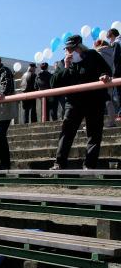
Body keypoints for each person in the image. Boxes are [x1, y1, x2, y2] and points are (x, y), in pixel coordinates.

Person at [50, 35, 112, 170]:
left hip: (94, 100)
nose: (70, 52)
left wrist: (104, 75)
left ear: (80, 48)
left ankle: (89, 165)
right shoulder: (62, 62)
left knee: (94, 134)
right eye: (67, 49)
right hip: (73, 102)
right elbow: (54, 83)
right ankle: (59, 163)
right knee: (66, 133)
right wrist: (66, 67)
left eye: (73, 49)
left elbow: (106, 70)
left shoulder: (92, 55)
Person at [94, 39, 116, 127]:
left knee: (96, 102)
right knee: (108, 100)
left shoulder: (98, 54)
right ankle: (112, 121)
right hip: (111, 79)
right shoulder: (113, 52)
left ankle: (94, 123)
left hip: (100, 79)